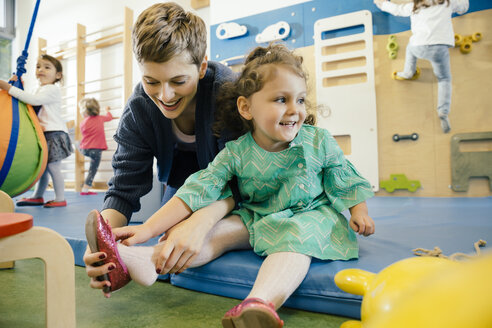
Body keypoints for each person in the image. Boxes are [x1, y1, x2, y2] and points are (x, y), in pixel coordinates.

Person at [87, 43, 375, 328]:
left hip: (309, 215)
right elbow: (197, 190)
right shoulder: (236, 152)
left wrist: (358, 211)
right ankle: (142, 260)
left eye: (299, 100)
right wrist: (146, 230)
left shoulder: (317, 141)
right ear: (246, 108)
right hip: (257, 215)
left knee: (294, 240)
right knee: (214, 232)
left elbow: (342, 175)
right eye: (280, 100)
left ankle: (260, 303)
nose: (294, 110)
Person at [82, 2, 238, 296]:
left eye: (178, 81)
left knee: (195, 231)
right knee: (172, 229)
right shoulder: (139, 109)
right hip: (181, 183)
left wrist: (202, 219)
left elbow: (246, 183)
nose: (164, 96)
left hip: (231, 189)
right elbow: (123, 188)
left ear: (202, 66)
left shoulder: (228, 93)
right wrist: (104, 245)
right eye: (151, 81)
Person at [374, 0, 469, 133]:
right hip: (438, 48)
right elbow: (464, 7)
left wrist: (381, 3)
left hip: (419, 46)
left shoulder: (414, 6)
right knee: (444, 79)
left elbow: (397, 10)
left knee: (410, 48)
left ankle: (407, 73)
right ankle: (443, 111)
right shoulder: (447, 3)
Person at [0, 54, 72, 207]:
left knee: (53, 166)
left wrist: (10, 89)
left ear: (58, 75)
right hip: (44, 134)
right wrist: (18, 85)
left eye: (47, 67)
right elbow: (29, 104)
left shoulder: (52, 89)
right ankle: (38, 195)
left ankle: (60, 198)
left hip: (54, 133)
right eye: (39, 67)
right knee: (43, 167)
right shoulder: (40, 89)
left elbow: (33, 101)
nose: (41, 70)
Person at [78, 97, 113, 195]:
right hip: (96, 150)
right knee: (92, 170)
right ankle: (85, 189)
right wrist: (107, 111)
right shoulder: (100, 118)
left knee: (79, 144)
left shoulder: (83, 122)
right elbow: (109, 117)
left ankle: (75, 145)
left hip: (84, 148)